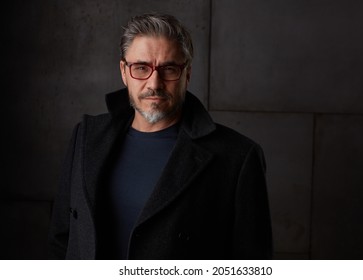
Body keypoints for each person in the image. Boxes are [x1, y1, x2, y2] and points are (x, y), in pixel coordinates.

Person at [48, 13, 272, 260]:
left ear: (186, 74)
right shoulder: (87, 136)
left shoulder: (236, 157)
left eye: (169, 69)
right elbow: (62, 240)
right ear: (124, 72)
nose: (154, 83)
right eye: (141, 68)